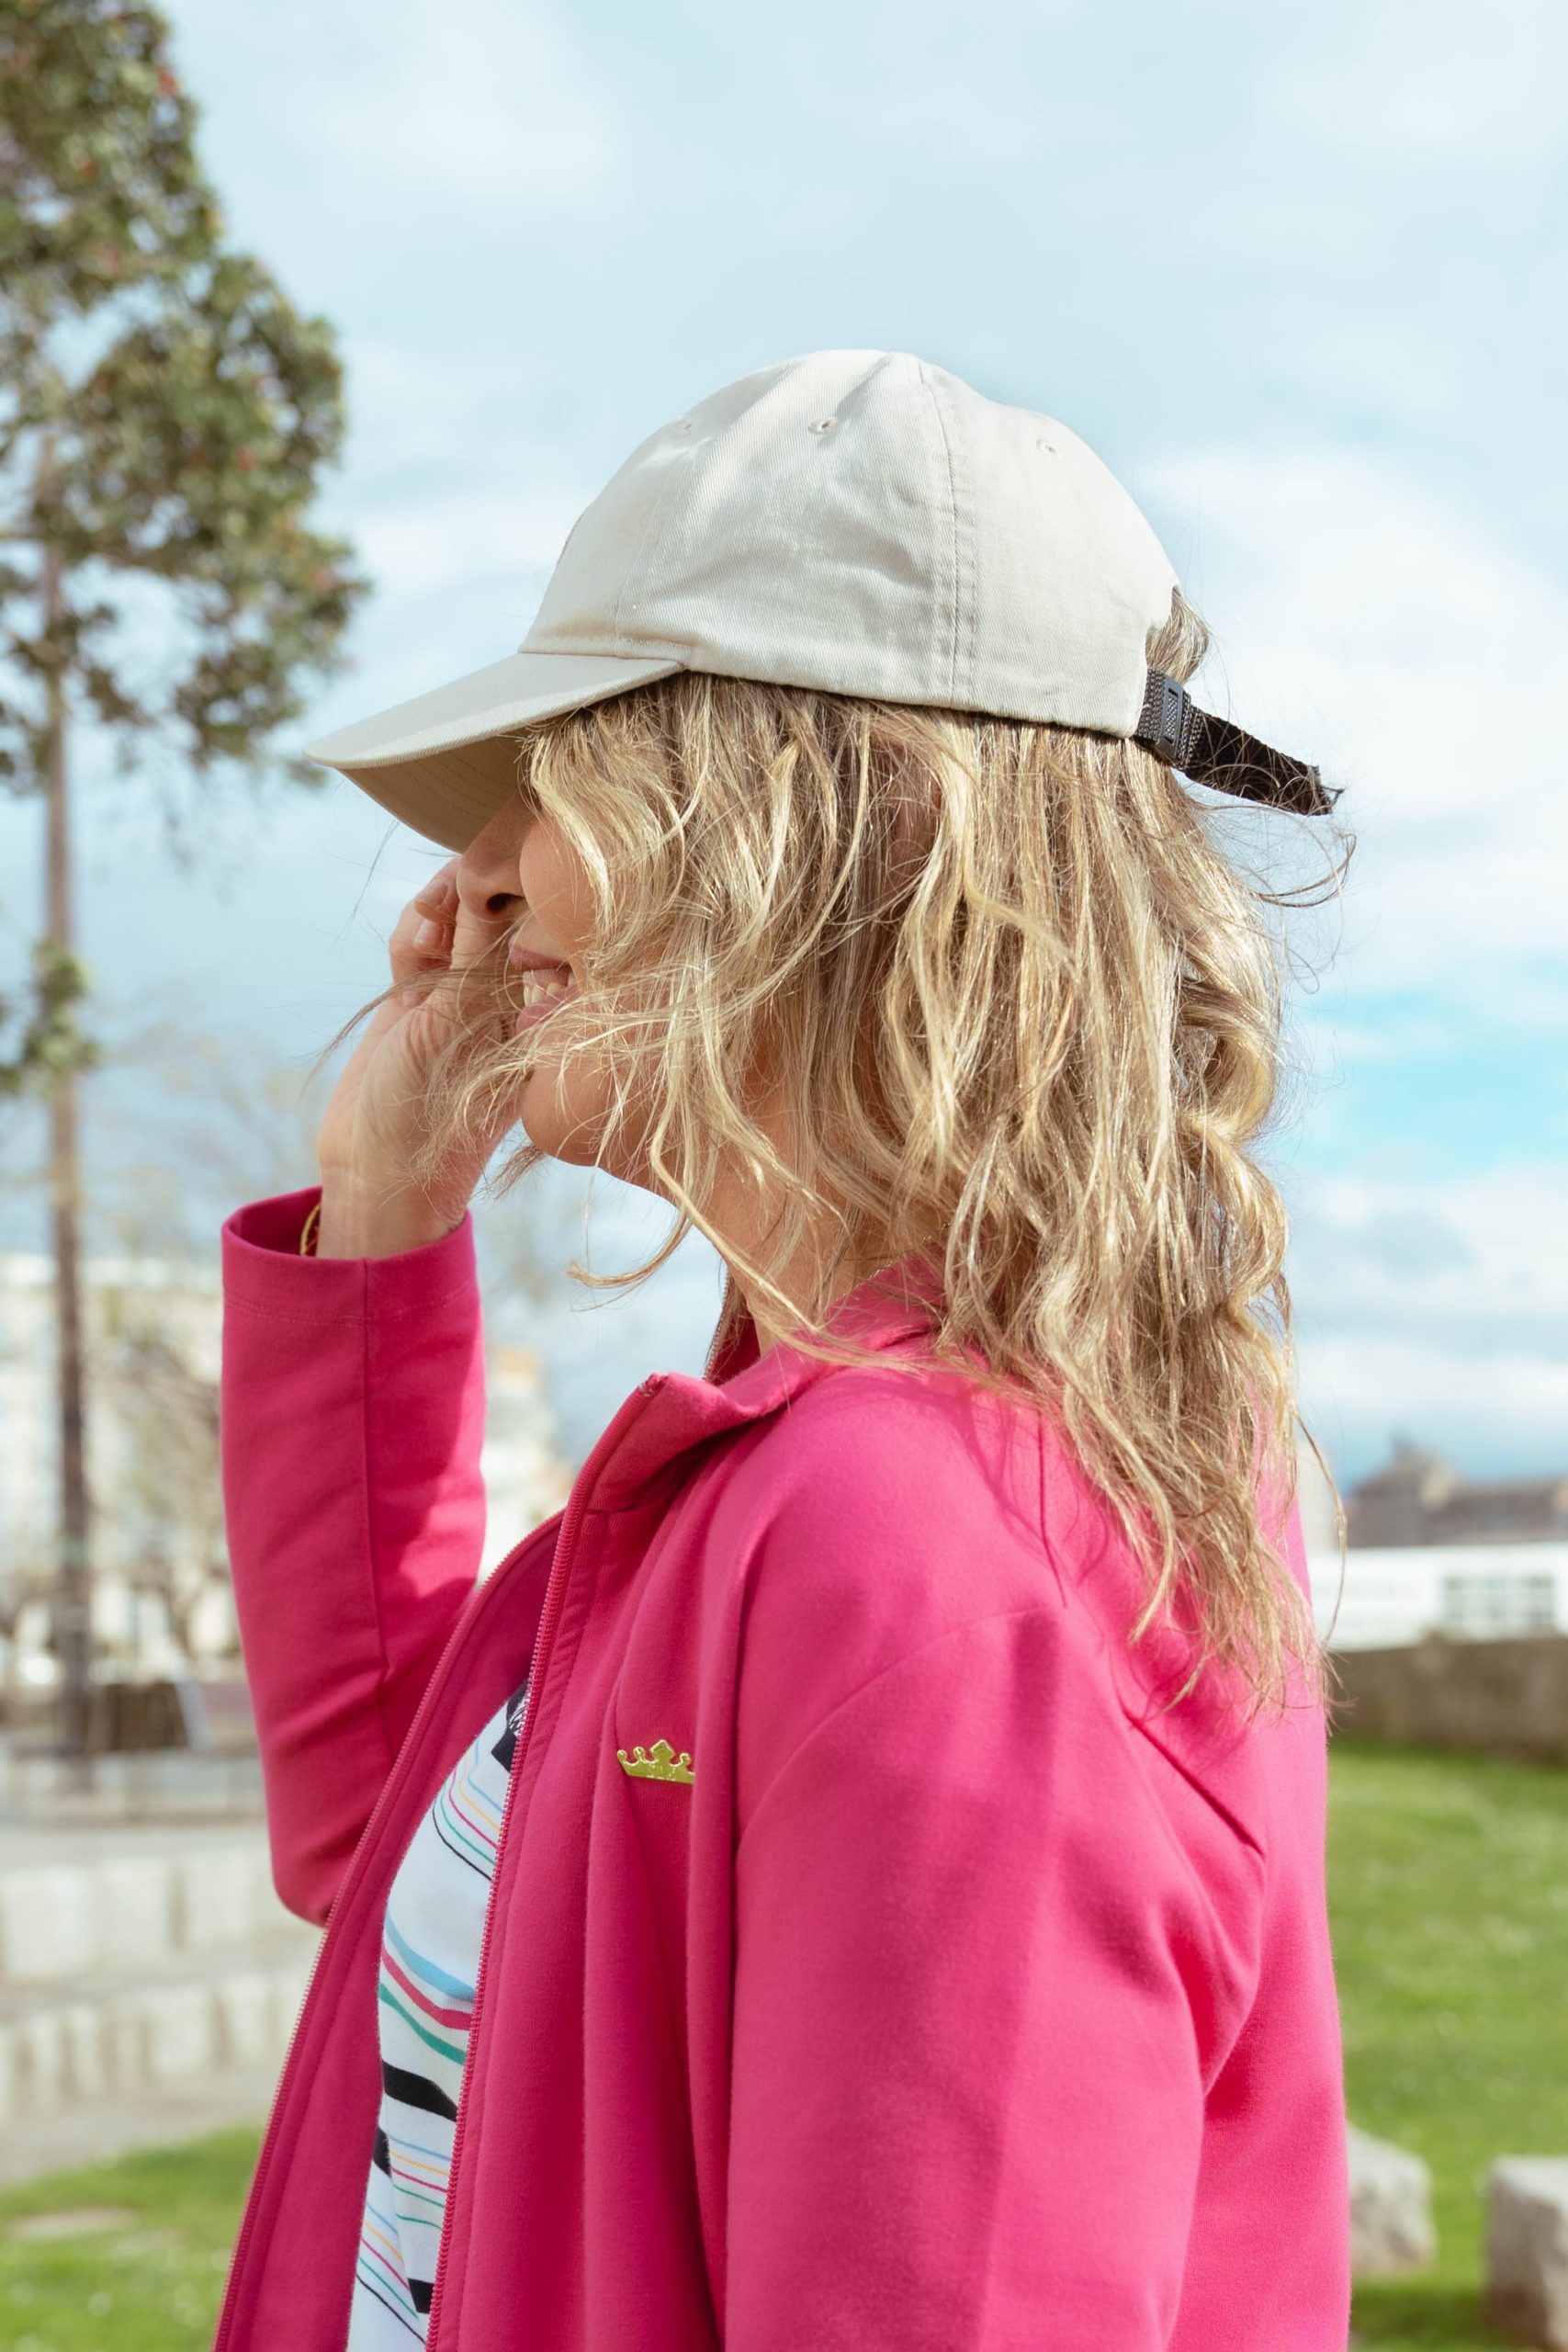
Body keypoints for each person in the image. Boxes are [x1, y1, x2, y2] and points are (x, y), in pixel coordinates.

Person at [211, 349, 1355, 2352]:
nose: (472, 882)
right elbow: (403, 1843)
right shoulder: (774, 1466)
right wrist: (384, 1216)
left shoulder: (917, 1546)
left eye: (558, 785)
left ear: (835, 836)